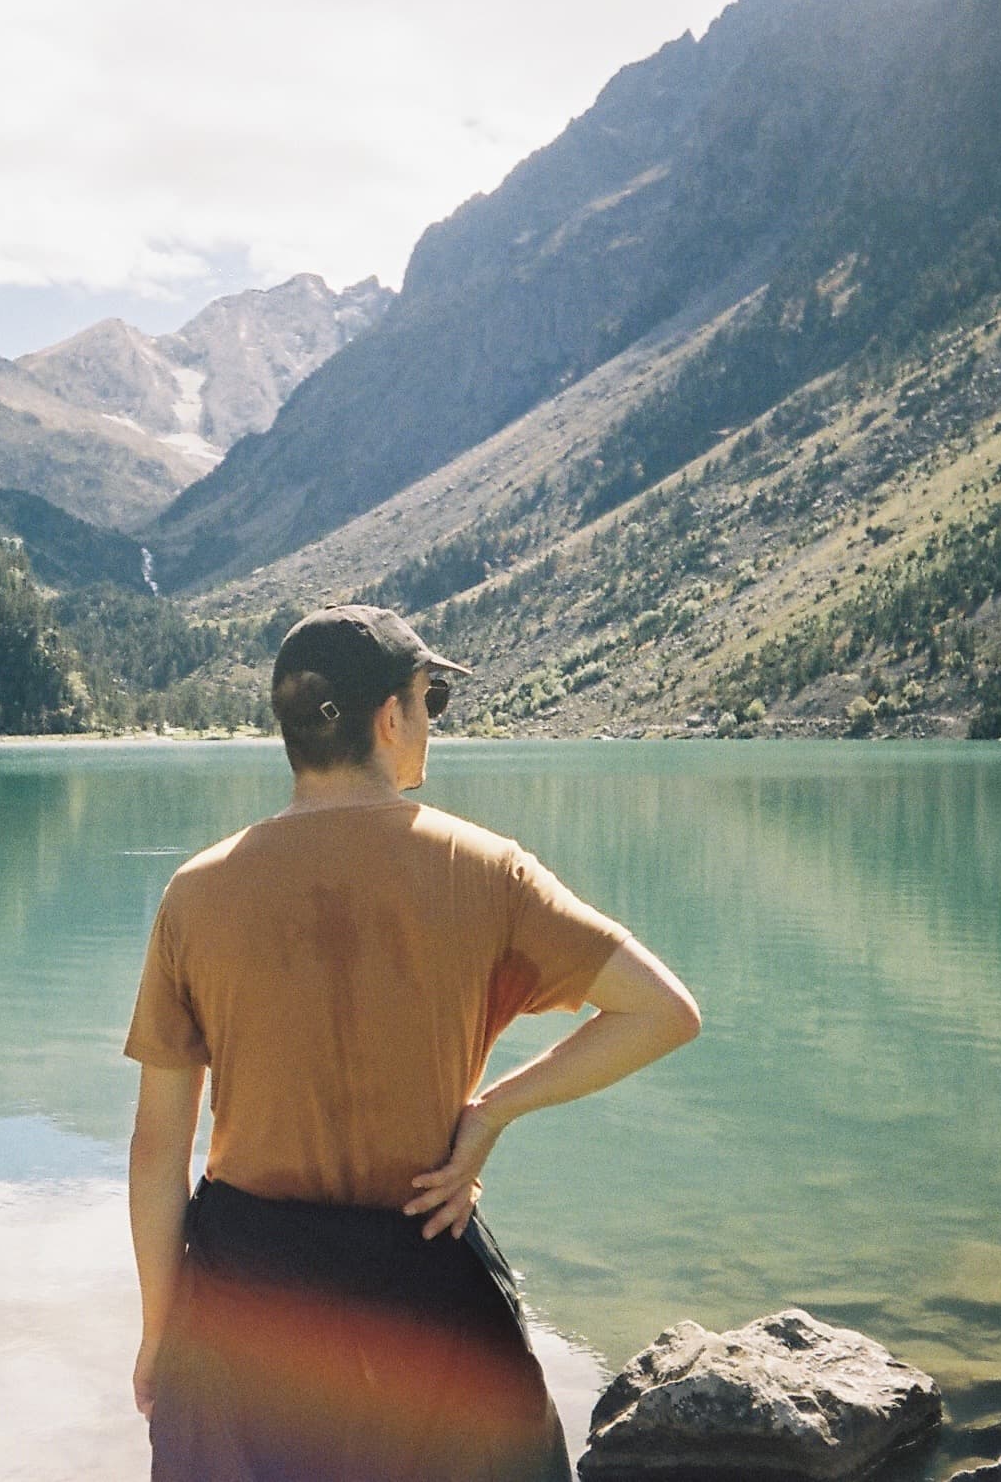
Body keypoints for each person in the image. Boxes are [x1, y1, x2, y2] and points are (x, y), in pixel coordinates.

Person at [125, 605, 701, 1482]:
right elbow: (663, 1012)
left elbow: (156, 1150)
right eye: (432, 698)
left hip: (247, 1296)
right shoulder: (487, 869)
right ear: (389, 718)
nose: (434, 719)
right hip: (423, 1279)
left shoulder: (196, 894)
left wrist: (162, 1331)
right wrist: (493, 1114)